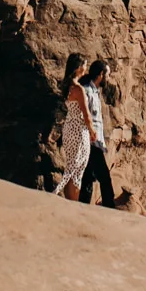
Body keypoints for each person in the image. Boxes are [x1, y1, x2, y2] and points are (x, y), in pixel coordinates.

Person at [79, 58, 117, 206]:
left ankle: (83, 207)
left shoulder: (94, 91)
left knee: (88, 178)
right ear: (101, 74)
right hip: (90, 142)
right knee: (104, 177)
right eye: (108, 75)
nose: (108, 78)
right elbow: (83, 116)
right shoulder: (87, 91)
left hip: (94, 142)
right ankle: (109, 207)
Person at [55, 52, 92, 200]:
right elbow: (86, 114)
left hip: (69, 128)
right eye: (84, 65)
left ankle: (68, 199)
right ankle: (72, 202)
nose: (86, 68)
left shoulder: (67, 86)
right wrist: (92, 131)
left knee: (71, 165)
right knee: (77, 168)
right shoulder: (78, 88)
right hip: (79, 129)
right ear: (78, 68)